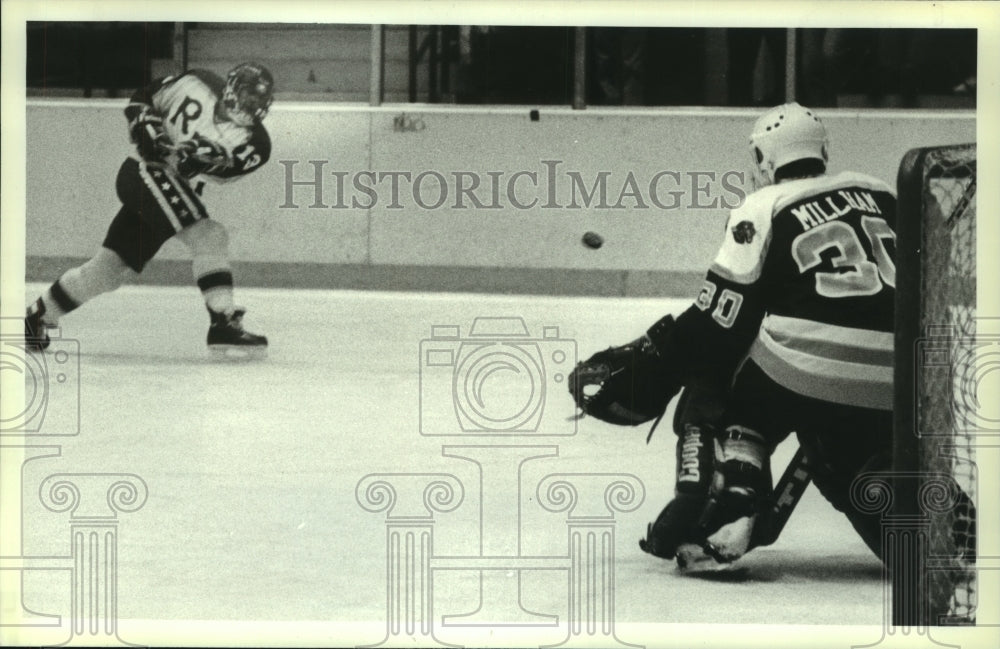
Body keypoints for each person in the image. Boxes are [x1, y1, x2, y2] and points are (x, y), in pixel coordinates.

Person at [25, 62, 274, 359]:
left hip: (169, 189)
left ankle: (37, 317)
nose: (253, 106)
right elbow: (143, 97)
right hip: (144, 174)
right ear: (231, 88)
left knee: (107, 272)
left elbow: (223, 167)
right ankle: (223, 321)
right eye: (249, 96)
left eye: (259, 101)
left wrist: (201, 158)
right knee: (210, 234)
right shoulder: (197, 81)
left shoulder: (257, 143)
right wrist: (144, 124)